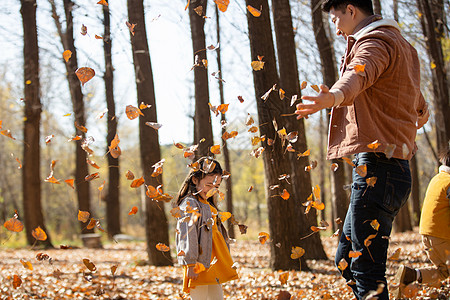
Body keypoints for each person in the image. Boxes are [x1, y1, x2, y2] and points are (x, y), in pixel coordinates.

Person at [295, 0, 429, 299]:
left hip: (378, 170)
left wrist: (332, 98)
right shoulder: (403, 48)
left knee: (366, 271)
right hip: (390, 172)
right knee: (346, 259)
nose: (335, 25)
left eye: (335, 17)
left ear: (351, 10)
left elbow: (359, 73)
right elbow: (421, 108)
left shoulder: (375, 42)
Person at [175, 157, 238, 299]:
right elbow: (187, 234)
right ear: (195, 180)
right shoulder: (190, 204)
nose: (212, 190)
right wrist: (190, 263)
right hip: (198, 262)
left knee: (217, 296)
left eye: (216, 186)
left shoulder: (206, 203)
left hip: (213, 261)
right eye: (209, 185)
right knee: (200, 296)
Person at [394, 149, 450, 297]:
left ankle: (411, 275)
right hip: (443, 236)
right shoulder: (449, 182)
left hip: (427, 236)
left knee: (443, 271)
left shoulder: (437, 179)